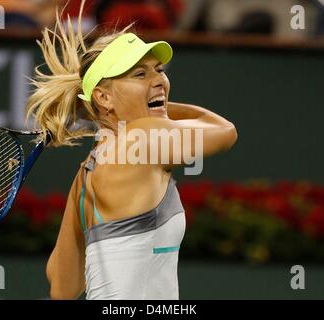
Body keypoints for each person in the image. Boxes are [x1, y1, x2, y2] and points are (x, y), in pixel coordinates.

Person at [26, 0, 237, 300]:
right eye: (140, 75)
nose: (159, 81)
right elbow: (225, 131)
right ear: (103, 97)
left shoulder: (86, 175)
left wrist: (139, 106)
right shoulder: (141, 135)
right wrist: (160, 108)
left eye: (159, 71)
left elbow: (63, 286)